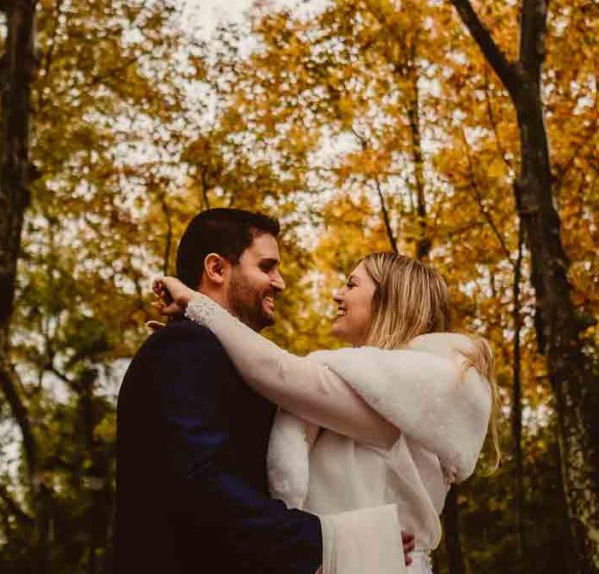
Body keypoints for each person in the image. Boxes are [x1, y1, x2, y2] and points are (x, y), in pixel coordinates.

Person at [155, 251, 501, 574]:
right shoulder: (381, 390)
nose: (338, 295)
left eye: (351, 285)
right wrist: (205, 357)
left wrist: (197, 305)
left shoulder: (398, 391)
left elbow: (278, 372)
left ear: (391, 299)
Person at [114, 208, 414, 573]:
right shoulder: (184, 347)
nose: (280, 282)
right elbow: (201, 486)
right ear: (217, 269)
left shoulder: (225, 361)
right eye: (266, 267)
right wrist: (335, 538)